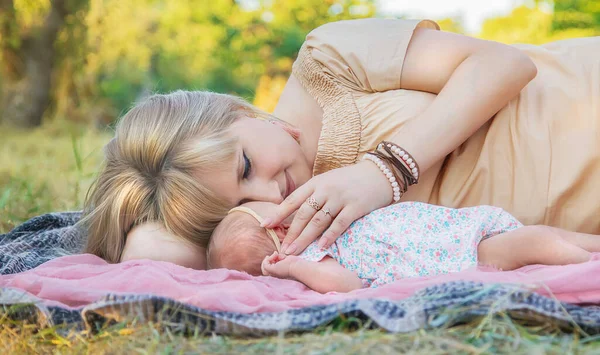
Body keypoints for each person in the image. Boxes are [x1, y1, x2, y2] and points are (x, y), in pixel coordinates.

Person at [82, 18, 600, 268]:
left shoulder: (328, 60)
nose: (268, 192)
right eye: (242, 204)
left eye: (245, 165)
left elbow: (505, 64)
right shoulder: (302, 239)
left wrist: (385, 170)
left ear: (238, 112)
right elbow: (153, 260)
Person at [207, 201, 600, 293]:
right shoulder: (308, 255)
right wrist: (292, 268)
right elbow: (346, 284)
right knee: (536, 241)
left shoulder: (329, 221)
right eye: (277, 219)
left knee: (543, 233)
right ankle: (586, 267)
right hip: (455, 254)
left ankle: (591, 248)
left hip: (457, 230)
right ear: (279, 242)